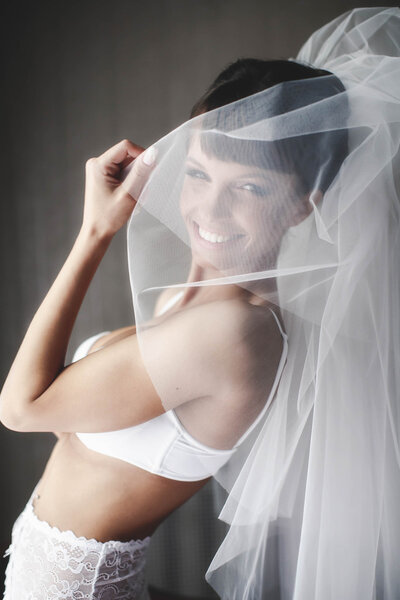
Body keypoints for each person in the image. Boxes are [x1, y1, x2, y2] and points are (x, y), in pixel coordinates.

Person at [1, 7, 400, 600]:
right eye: (198, 172)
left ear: (305, 203)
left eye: (249, 187)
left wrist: (95, 234)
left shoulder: (233, 332)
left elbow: (22, 408)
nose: (208, 210)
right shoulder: (183, 303)